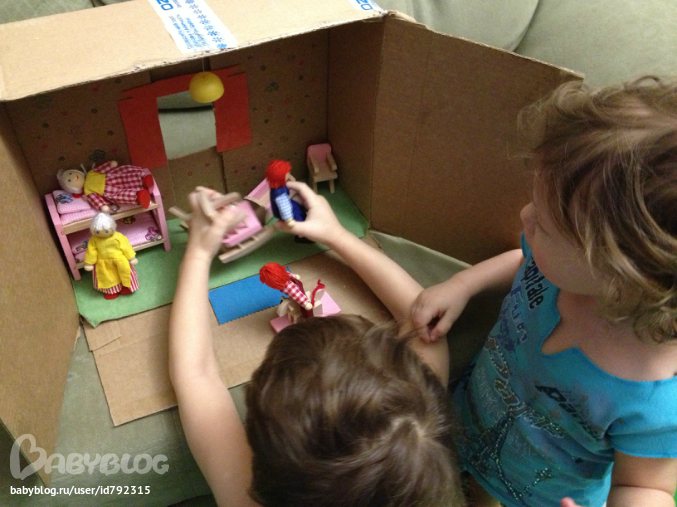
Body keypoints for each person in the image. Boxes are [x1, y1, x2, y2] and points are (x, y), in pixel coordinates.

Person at [411, 76, 677, 507]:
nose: (524, 216)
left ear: (619, 274)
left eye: (545, 226)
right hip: (466, 421)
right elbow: (522, 261)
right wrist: (463, 285)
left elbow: (646, 487)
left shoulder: (656, 401)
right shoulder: (559, 267)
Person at [168, 183, 466, 506]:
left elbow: (195, 373)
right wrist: (336, 235)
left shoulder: (241, 497)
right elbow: (423, 321)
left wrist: (198, 253)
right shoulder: (420, 419)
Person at [84, 211, 139, 300]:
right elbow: (91, 252)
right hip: (103, 262)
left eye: (106, 231)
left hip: (119, 260)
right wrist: (89, 263)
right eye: (97, 232)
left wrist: (131, 258)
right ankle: (112, 291)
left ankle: (126, 286)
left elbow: (126, 247)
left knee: (124, 273)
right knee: (107, 277)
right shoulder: (94, 240)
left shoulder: (118, 237)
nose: (102, 234)